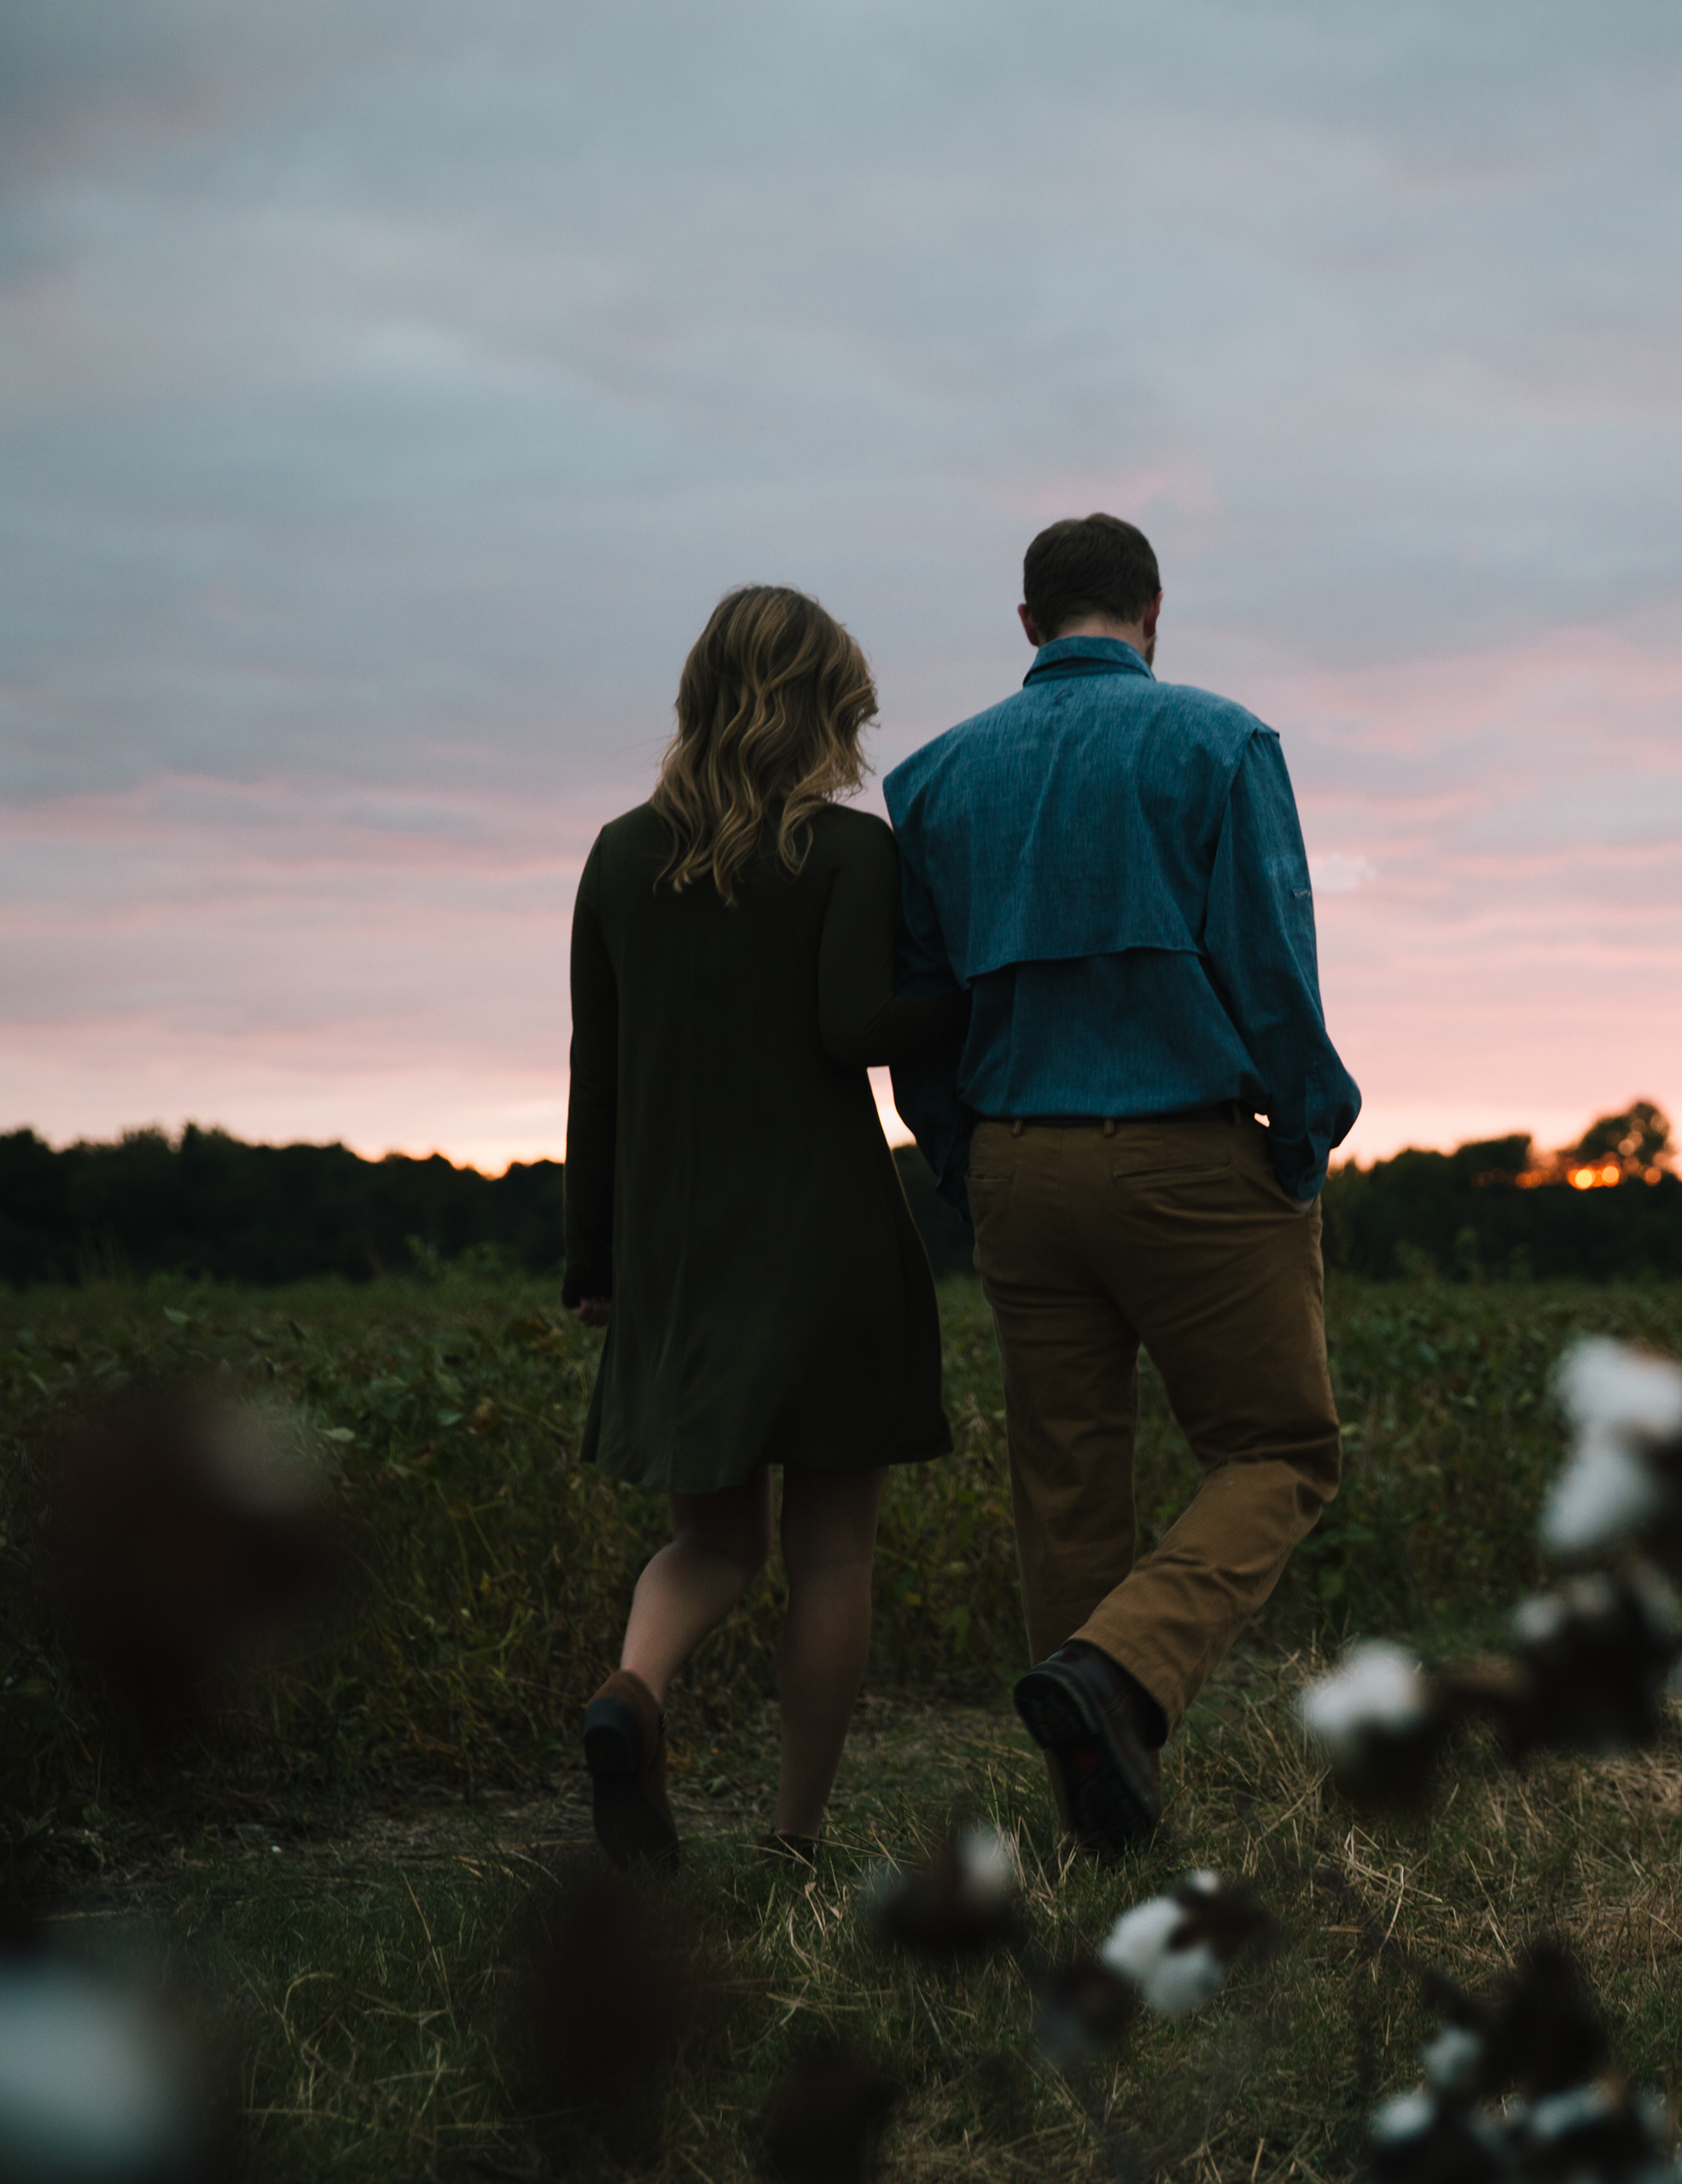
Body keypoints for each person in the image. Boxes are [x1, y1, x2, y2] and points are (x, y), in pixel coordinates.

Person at [885, 514, 1358, 1855]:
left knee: (1069, 1486)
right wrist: (1304, 1131)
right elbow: (1273, 965)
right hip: (1188, 1151)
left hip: (1019, 1166)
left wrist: (965, 1157)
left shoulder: (932, 780)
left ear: (1028, 624)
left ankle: (1096, 1815)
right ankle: (1121, 1673)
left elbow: (923, 1009)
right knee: (1277, 1448)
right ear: (1154, 610)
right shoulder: (1220, 743)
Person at [563, 584, 963, 1873]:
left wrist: (595, 1265)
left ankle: (634, 1689)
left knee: (711, 1539)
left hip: (675, 1251)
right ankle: (794, 1840)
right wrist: (968, 993)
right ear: (822, 707)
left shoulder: (619, 854)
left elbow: (597, 1074)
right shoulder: (848, 853)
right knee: (830, 1549)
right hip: (827, 1238)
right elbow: (856, 1029)